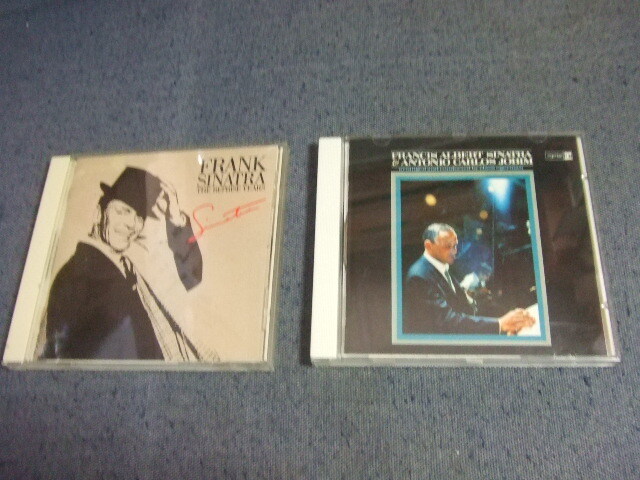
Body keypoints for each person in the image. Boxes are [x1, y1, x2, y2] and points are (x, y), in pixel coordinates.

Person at [42, 167, 205, 360]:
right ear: (98, 214)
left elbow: (192, 277)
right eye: (122, 211)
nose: (132, 224)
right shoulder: (76, 277)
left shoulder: (130, 266)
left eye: (139, 218)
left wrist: (176, 218)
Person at [403, 223, 535, 335]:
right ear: (428, 246)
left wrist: (512, 318)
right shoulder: (418, 277)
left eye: (455, 245)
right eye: (448, 246)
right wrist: (500, 324)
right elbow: (449, 321)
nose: (455, 251)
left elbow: (461, 305)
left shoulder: (440, 264)